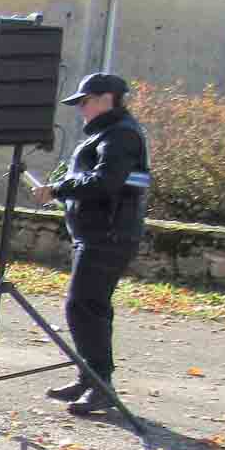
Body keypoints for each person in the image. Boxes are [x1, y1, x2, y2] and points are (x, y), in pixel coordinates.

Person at [31, 72, 150, 416]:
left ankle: (100, 386)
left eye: (84, 102)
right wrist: (62, 189)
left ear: (105, 99)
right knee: (87, 307)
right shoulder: (110, 134)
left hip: (108, 236)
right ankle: (90, 379)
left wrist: (57, 189)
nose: (80, 110)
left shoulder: (120, 135)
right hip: (98, 235)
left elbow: (105, 182)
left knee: (84, 306)